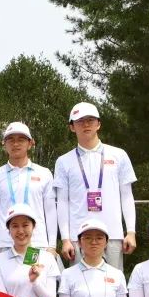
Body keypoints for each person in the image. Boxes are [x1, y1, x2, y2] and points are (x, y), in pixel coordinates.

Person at [54, 102, 137, 271]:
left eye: (90, 120)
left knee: (113, 282)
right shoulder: (63, 161)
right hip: (79, 236)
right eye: (80, 121)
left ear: (98, 124)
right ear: (72, 127)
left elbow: (127, 196)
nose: (86, 124)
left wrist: (130, 232)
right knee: (79, 282)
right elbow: (62, 201)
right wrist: (66, 239)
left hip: (113, 234)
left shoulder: (119, 155)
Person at [0, 122, 56, 260]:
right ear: (4, 144)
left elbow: (50, 210)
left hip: (36, 243)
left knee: (34, 274)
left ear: (30, 143)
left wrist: (52, 245)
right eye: (10, 140)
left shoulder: (44, 173)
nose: (15, 144)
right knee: (9, 275)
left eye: (21, 139)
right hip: (6, 244)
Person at [0, 204, 61, 297]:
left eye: (25, 225)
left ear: (34, 226)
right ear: (9, 229)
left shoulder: (47, 258)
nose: (20, 231)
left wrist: (35, 282)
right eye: (15, 226)